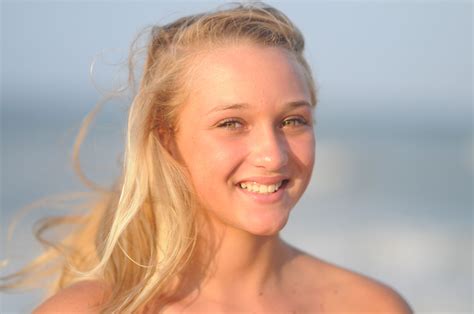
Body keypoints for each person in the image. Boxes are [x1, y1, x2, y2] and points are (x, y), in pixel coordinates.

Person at [3, 2, 412, 313]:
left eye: (292, 120)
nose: (272, 154)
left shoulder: (371, 306)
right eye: (232, 123)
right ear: (166, 138)